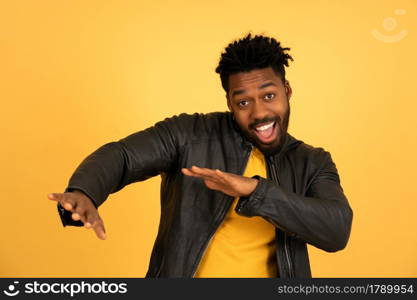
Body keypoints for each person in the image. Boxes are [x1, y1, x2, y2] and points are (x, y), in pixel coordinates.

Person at [48, 33, 353, 278]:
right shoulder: (189, 134)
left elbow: (336, 230)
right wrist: (83, 190)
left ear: (287, 89)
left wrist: (256, 191)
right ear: (230, 103)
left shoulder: (312, 162)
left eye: (269, 95)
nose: (259, 112)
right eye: (244, 102)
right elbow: (123, 156)